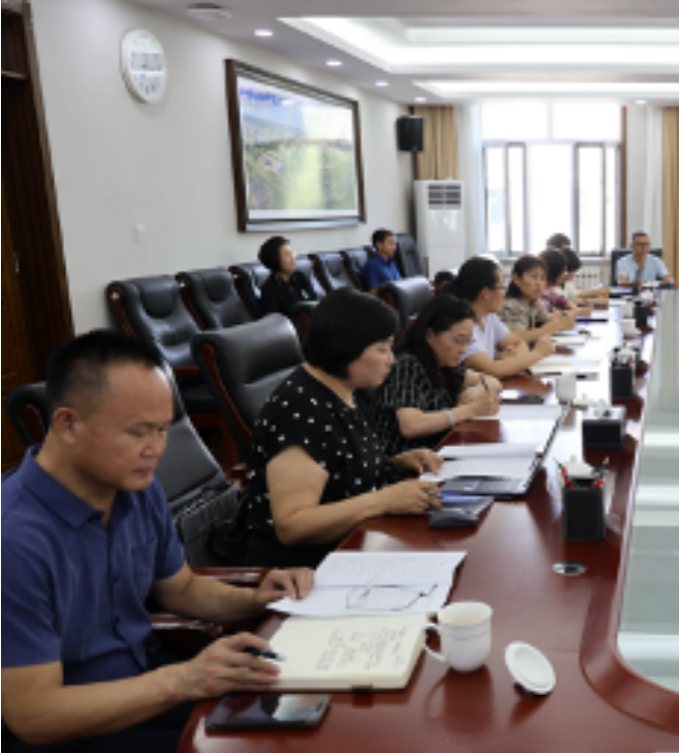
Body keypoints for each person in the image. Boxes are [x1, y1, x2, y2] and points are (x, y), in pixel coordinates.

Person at [1, 331, 314, 752]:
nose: (156, 449)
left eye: (164, 430)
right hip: (70, 729)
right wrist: (184, 679)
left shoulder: (137, 489)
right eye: (139, 432)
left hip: (144, 684)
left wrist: (257, 598)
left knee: (300, 712)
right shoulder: (14, 538)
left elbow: (180, 588)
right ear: (68, 424)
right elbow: (32, 716)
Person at [223, 289, 444, 568]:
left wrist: (394, 466)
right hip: (303, 572)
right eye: (382, 349)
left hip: (355, 544)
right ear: (346, 349)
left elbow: (340, 471)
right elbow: (292, 525)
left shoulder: (346, 388)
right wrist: (383, 500)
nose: (392, 359)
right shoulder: (300, 411)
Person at [371, 296, 502, 456]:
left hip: (440, 453)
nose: (463, 350)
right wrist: (468, 410)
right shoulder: (407, 365)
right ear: (430, 336)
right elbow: (411, 426)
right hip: (407, 463)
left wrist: (474, 392)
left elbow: (492, 381)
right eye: (457, 341)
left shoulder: (444, 364)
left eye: (468, 341)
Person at [452, 256, 556, 379]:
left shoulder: (488, 317)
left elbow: (518, 342)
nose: (504, 293)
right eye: (502, 288)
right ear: (486, 294)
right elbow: (491, 370)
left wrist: (512, 359)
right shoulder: (462, 326)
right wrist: (537, 353)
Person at [499, 255, 579, 344]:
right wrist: (554, 327)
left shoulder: (532, 302)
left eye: (543, 278)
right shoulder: (510, 305)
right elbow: (517, 337)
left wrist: (563, 318)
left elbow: (547, 317)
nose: (539, 283)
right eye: (533, 277)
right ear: (516, 279)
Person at [257, 236, 317, 317]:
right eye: (287, 255)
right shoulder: (269, 289)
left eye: (292, 254)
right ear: (275, 259)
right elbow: (274, 320)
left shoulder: (300, 277)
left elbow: (314, 301)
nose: (293, 258)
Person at [361, 229, 403, 293]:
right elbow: (373, 294)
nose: (394, 247)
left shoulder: (391, 262)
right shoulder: (373, 266)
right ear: (379, 245)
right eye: (391, 244)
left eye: (395, 244)